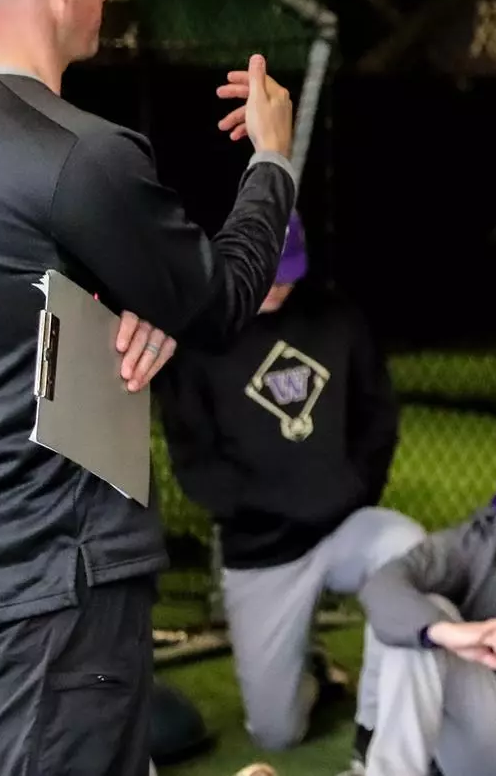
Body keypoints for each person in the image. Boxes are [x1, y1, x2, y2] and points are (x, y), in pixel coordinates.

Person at [0, 0, 298, 775]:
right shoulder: (77, 150)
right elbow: (224, 300)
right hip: (48, 577)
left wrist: (136, 308)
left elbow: (16, 296)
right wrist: (273, 159)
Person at [156, 210, 424, 765]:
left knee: (409, 549)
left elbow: (378, 416)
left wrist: (351, 489)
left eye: (290, 272)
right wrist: (281, 506)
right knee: (277, 734)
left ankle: (377, 721)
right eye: (268, 274)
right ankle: (316, 671)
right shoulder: (197, 338)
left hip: (344, 527)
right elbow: (196, 464)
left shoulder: (337, 317)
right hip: (264, 551)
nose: (281, 285)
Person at [358, 392, 496, 776]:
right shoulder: (477, 539)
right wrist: (445, 631)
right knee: (424, 620)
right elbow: (384, 584)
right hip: (486, 717)